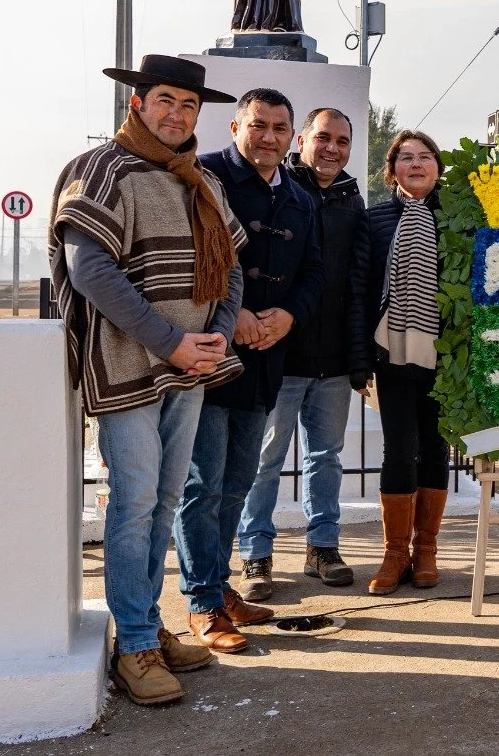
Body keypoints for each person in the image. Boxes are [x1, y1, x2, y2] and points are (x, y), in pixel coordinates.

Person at [47, 54, 245, 706]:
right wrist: (172, 342)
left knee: (162, 503)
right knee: (132, 506)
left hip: (190, 366)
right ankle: (131, 647)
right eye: (165, 100)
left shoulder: (198, 178)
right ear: (138, 103)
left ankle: (148, 628)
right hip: (130, 366)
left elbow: (232, 266)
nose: (177, 114)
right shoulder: (101, 170)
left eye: (188, 105)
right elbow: (91, 272)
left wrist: (215, 333)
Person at [175, 88, 323, 654]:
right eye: (258, 125)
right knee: (201, 484)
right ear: (236, 126)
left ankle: (219, 587)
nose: (269, 136)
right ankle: (203, 604)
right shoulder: (204, 177)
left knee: (238, 480)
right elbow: (187, 258)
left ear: (292, 137)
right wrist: (231, 317)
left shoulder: (298, 196)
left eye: (280, 128)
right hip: (212, 355)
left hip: (268, 358)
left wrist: (288, 316)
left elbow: (314, 271)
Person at [237, 106, 368, 597]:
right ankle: (256, 555)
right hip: (279, 355)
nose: (332, 148)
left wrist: (358, 358)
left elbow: (357, 286)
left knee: (326, 457)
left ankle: (323, 547)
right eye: (323, 138)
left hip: (331, 361)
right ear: (301, 141)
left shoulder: (353, 202)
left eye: (342, 141)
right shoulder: (281, 194)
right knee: (265, 458)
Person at [365, 130, 450, 596]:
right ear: (392, 168)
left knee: (435, 449)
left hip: (443, 354)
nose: (416, 165)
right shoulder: (375, 218)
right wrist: (361, 361)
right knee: (399, 450)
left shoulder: (456, 218)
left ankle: (428, 551)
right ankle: (395, 552)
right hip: (392, 352)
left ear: (437, 166)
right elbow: (360, 288)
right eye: (405, 158)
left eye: (424, 157)